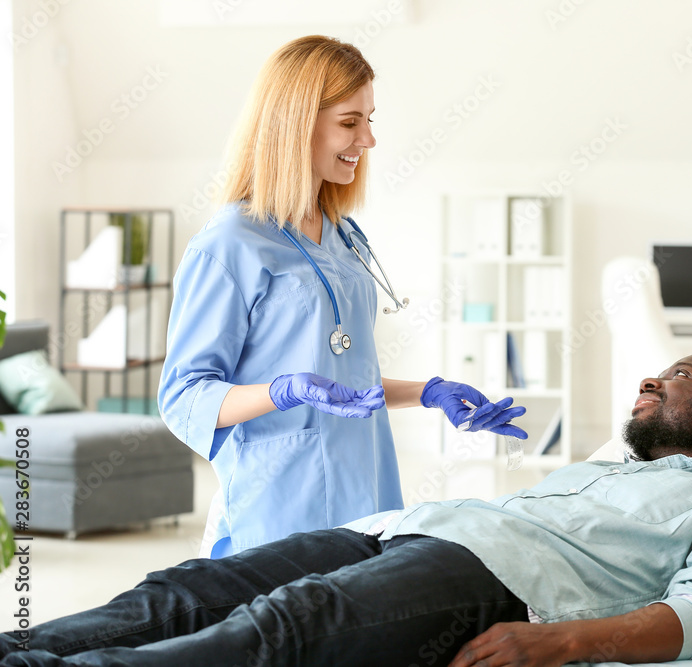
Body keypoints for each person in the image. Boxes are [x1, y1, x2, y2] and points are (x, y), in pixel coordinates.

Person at [4, 354, 692, 666]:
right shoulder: (601, 466)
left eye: (680, 377)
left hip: (494, 571)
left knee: (286, 624)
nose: (650, 379)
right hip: (394, 527)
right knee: (182, 590)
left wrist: (555, 639)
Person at [157, 35, 526, 559]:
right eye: (350, 123)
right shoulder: (229, 245)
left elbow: (343, 381)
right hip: (276, 509)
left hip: (368, 493)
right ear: (295, 124)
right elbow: (183, 397)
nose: (368, 140)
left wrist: (429, 392)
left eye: (370, 120)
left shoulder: (344, 234)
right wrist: (282, 391)